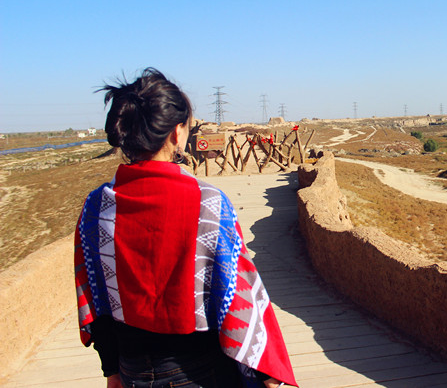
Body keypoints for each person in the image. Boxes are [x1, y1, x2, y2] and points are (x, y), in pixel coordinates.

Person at [74, 68, 296, 388]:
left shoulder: (96, 207)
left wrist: (112, 370)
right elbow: (238, 295)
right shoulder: (208, 204)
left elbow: (94, 296)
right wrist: (264, 374)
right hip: (201, 372)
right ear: (177, 134)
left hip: (131, 369)